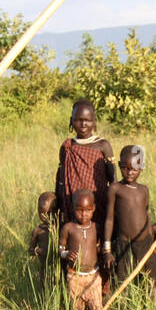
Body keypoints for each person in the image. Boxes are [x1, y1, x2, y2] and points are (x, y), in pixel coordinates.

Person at [51, 99, 114, 293]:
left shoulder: (102, 145)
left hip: (98, 207)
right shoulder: (67, 147)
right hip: (73, 208)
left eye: (87, 120)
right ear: (71, 121)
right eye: (79, 120)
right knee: (75, 248)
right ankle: (74, 295)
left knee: (98, 249)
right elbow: (62, 178)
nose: (83, 124)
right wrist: (60, 205)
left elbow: (113, 180)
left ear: (95, 121)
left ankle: (102, 295)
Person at [60, 188, 111, 310]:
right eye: (79, 210)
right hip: (74, 277)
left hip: (93, 277)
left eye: (88, 210)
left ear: (93, 208)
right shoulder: (68, 228)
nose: (84, 214)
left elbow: (100, 247)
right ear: (73, 208)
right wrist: (66, 254)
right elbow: (60, 248)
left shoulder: (96, 228)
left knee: (97, 309)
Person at [104, 145, 152, 285]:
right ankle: (123, 307)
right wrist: (107, 249)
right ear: (119, 165)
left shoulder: (144, 190)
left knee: (150, 279)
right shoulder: (115, 189)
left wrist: (152, 241)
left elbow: (146, 215)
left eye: (134, 169)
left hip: (145, 243)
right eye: (125, 167)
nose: (129, 172)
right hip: (124, 244)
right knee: (122, 280)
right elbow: (109, 219)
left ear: (141, 168)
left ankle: (150, 306)